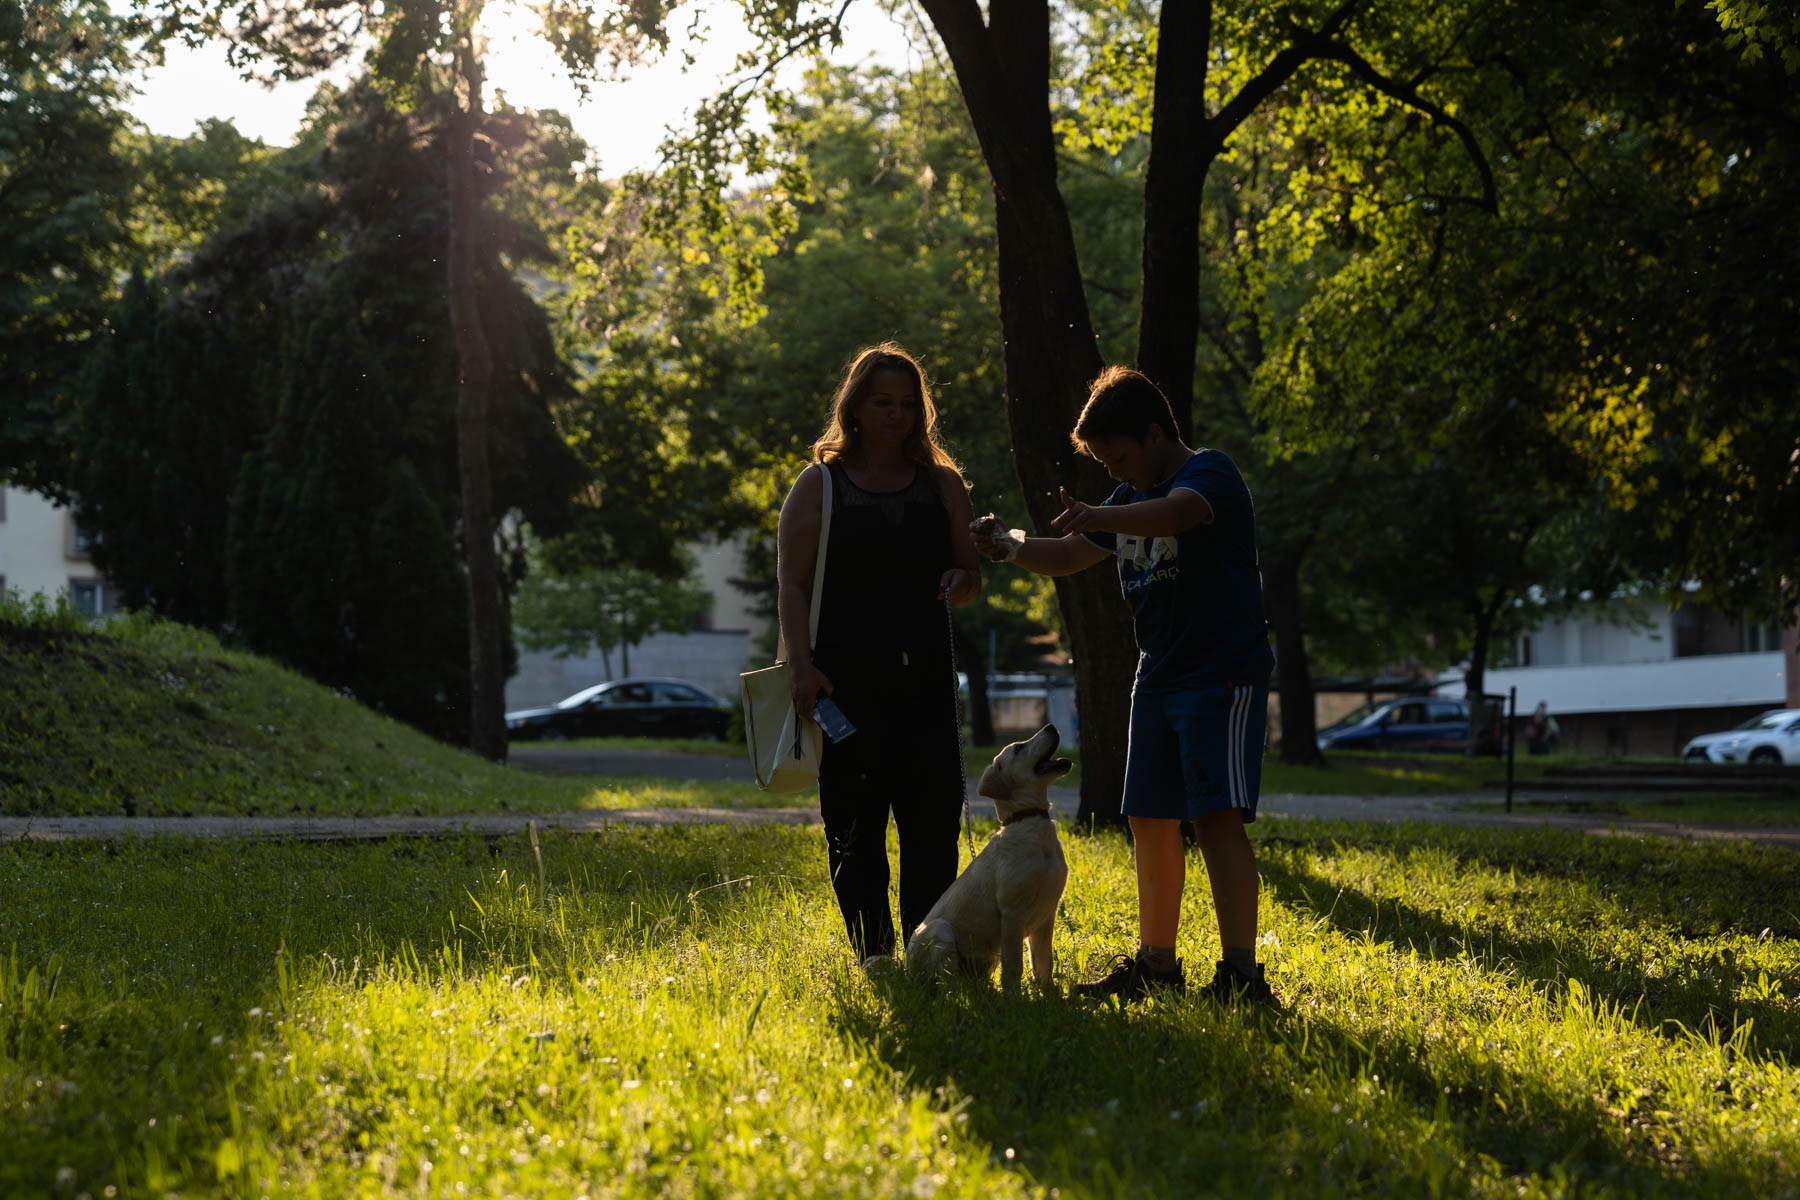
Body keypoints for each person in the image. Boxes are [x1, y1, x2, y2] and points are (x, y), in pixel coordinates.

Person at [971, 366, 1277, 1004]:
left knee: (1216, 817)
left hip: (1220, 673)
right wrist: (1010, 544)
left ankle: (1242, 975)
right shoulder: (1124, 503)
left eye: (1120, 457)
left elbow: (1176, 514)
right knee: (1148, 816)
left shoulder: (1208, 472)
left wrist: (1106, 516)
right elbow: (1067, 554)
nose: (1116, 474)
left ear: (1156, 433)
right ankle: (1157, 965)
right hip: (1158, 674)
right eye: (1105, 465)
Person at [776, 343, 982, 968]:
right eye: (883, 403)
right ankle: (873, 953)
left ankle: (927, 949)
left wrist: (960, 579)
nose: (897, 415)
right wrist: (802, 666)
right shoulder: (820, 484)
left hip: (924, 680)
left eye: (907, 404)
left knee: (933, 821)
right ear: (856, 408)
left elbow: (970, 576)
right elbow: (791, 582)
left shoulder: (943, 485)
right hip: (843, 681)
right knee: (854, 821)